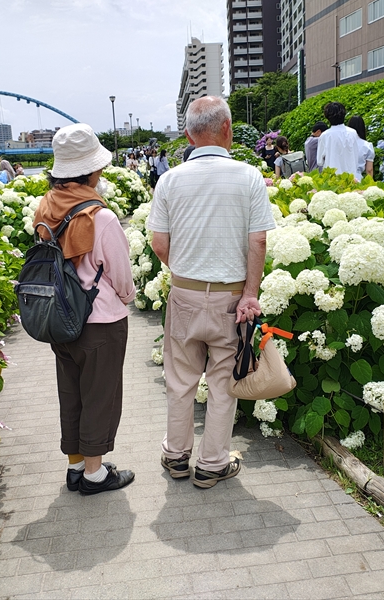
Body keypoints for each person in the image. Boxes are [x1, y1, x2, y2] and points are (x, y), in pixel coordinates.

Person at [147, 96, 275, 489]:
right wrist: (250, 293)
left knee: (180, 380)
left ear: (188, 135)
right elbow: (258, 242)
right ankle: (212, 464)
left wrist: (187, 271)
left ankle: (176, 456)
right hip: (231, 298)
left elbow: (158, 243)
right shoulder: (249, 177)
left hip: (184, 294)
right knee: (222, 383)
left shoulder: (169, 180)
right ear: (227, 129)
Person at [32, 123, 136, 495]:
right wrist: (127, 298)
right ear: (91, 171)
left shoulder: (45, 208)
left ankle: (76, 467)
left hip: (58, 319)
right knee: (100, 396)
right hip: (100, 323)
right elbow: (121, 275)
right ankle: (95, 475)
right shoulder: (100, 218)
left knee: (71, 393)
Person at [316, 102, 361, 180]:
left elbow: (319, 161)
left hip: (333, 179)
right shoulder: (353, 133)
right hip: (351, 178)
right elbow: (357, 154)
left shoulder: (325, 136)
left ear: (327, 117)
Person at [347, 116, 375, 181]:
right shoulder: (367, 145)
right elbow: (369, 170)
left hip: (343, 177)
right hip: (358, 178)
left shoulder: (344, 143)